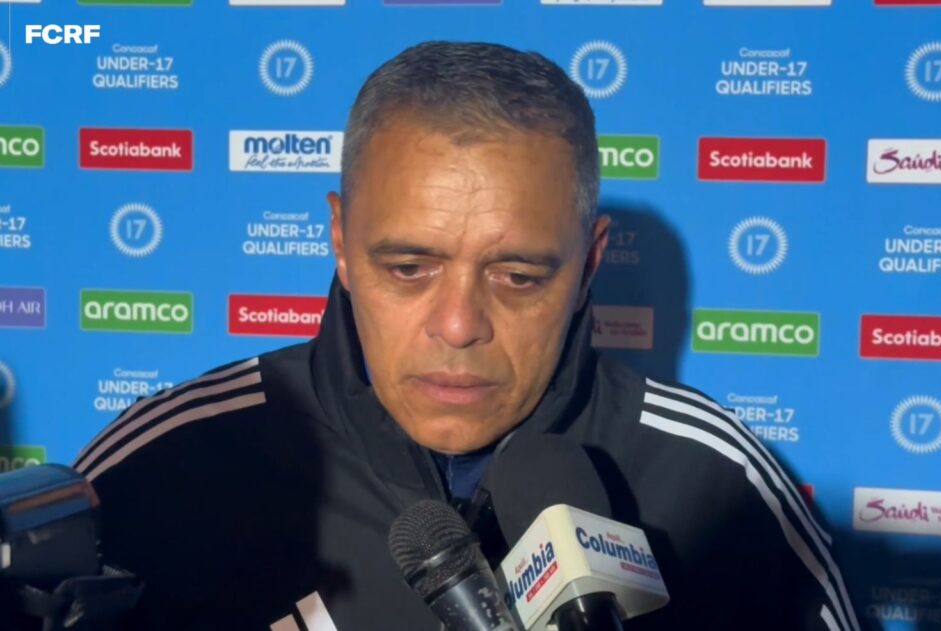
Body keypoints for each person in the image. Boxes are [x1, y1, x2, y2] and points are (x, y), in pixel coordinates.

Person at [72, 41, 861, 630]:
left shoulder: (719, 486)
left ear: (588, 265)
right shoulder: (159, 471)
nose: (457, 325)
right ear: (340, 241)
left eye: (518, 276)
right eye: (409, 268)